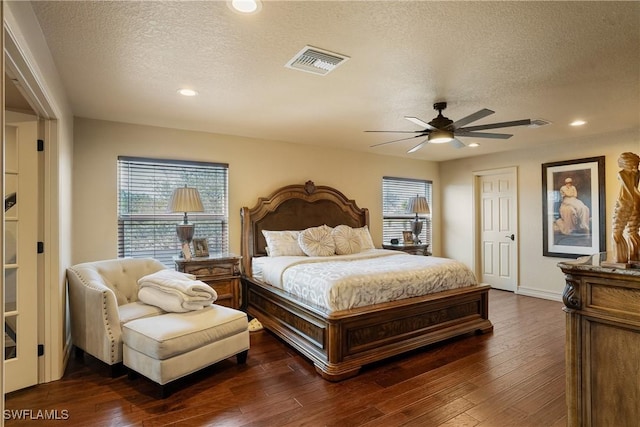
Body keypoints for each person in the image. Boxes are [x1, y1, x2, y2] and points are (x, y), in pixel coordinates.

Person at [611, 152, 640, 263]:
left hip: (629, 203)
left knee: (629, 231)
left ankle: (630, 256)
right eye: (632, 166)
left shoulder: (634, 175)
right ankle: (624, 256)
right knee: (620, 232)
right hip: (627, 203)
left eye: (637, 166)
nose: (636, 170)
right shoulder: (623, 174)